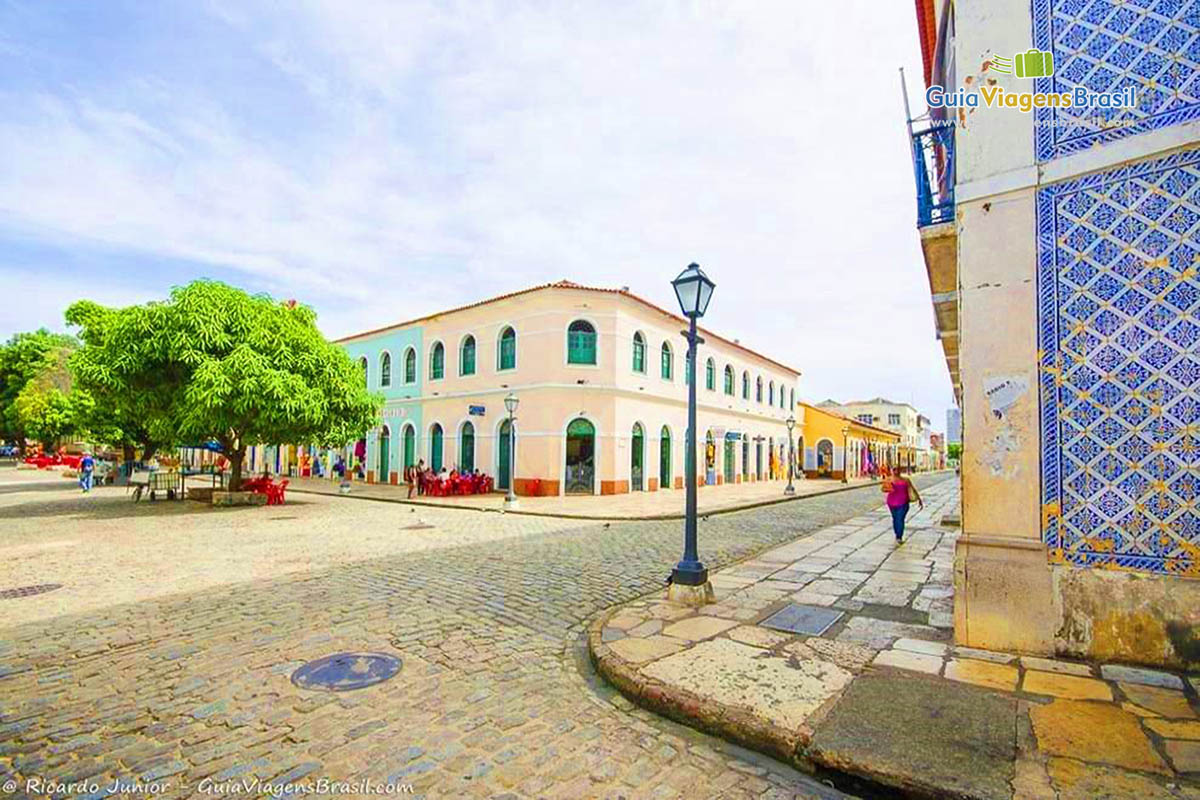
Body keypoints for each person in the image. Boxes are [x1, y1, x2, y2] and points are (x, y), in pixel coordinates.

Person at [884, 465, 923, 544]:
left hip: (903, 502)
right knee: (895, 518)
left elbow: (913, 489)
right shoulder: (889, 479)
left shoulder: (906, 480)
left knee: (900, 518)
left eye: (897, 470)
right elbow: (884, 489)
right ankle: (897, 533)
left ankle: (899, 536)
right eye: (894, 470)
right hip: (891, 502)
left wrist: (919, 499)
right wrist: (888, 486)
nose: (896, 471)